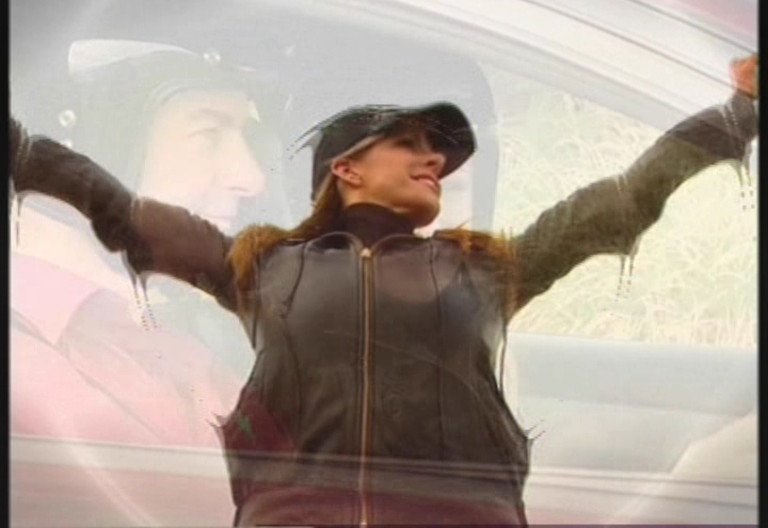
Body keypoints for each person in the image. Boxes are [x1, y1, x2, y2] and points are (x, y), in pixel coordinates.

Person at [9, 54, 758, 525]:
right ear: (346, 171)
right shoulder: (264, 271)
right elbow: (113, 205)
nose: (437, 166)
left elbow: (618, 202)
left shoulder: (479, 273)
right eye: (413, 151)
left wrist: (737, 118)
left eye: (442, 156)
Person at [11, 40, 285, 451]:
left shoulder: (170, 339)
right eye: (208, 134)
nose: (252, 177)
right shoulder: (26, 362)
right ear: (87, 157)